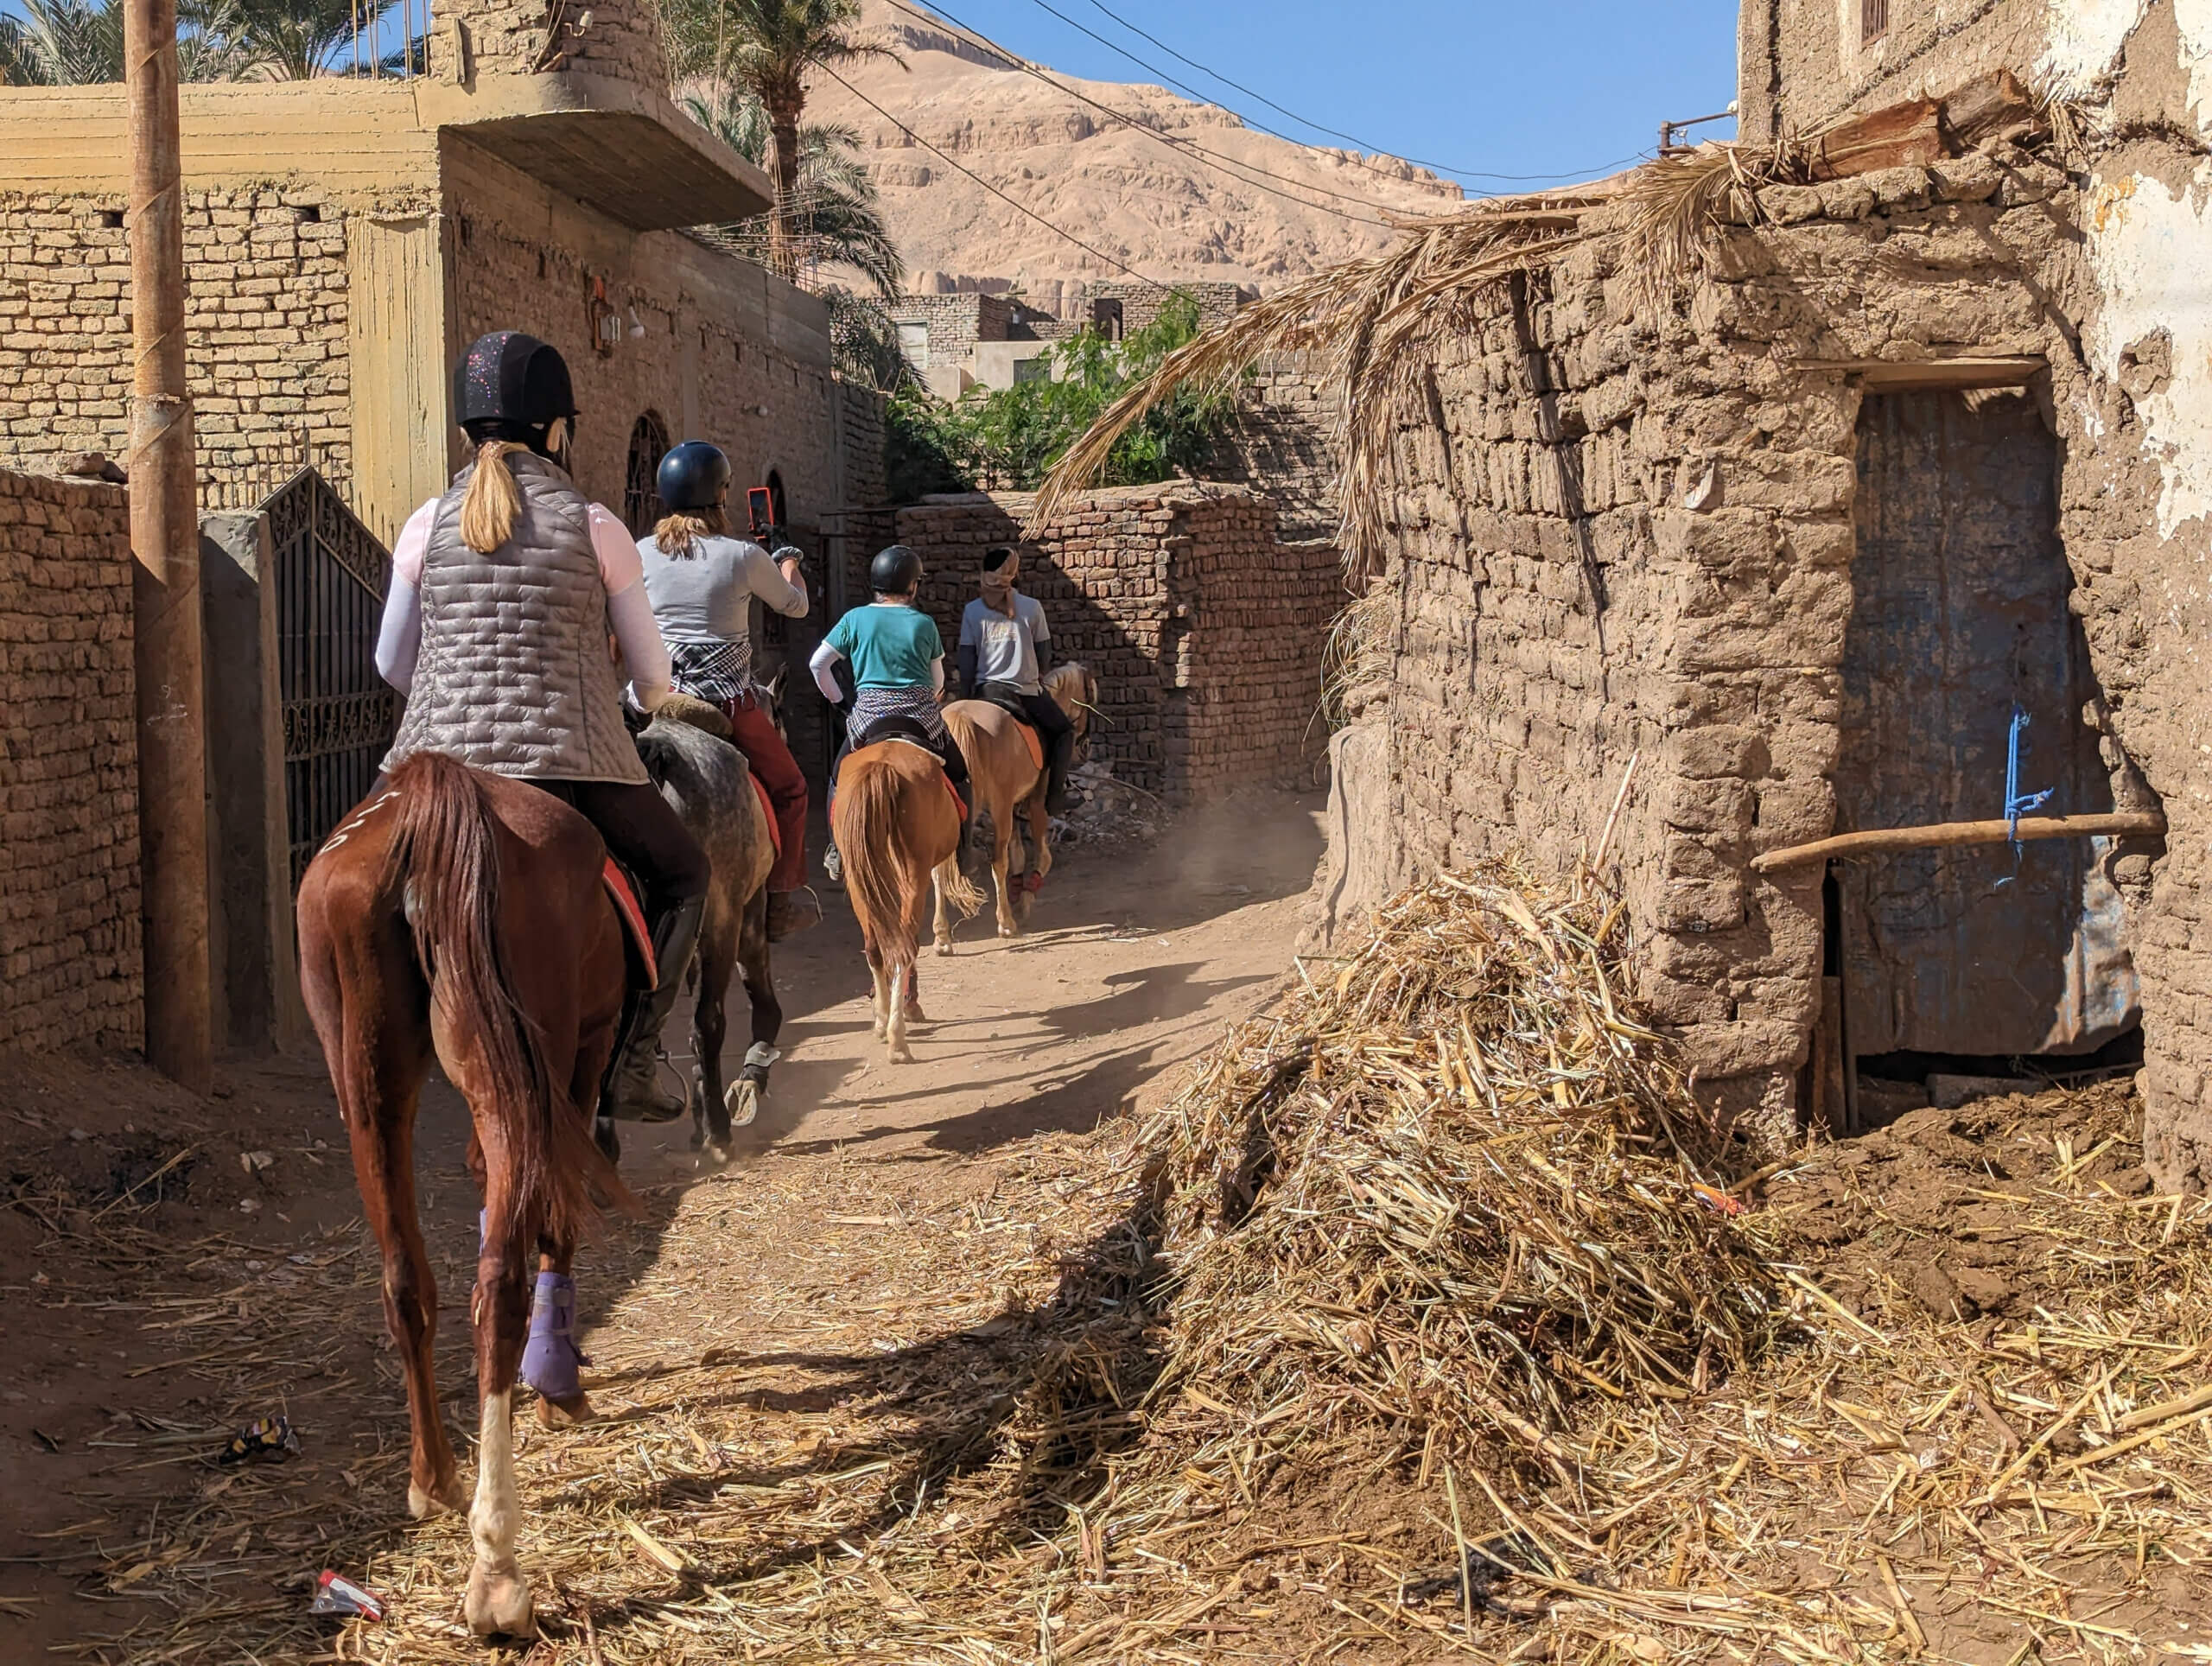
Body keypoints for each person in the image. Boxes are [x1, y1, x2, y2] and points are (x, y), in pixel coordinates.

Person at [373, 329, 706, 1129]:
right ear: (557, 431)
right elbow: (653, 679)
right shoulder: (597, 528)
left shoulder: (426, 523)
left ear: (465, 433)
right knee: (684, 874)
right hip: (574, 757)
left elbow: (392, 665)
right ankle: (633, 1060)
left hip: (438, 763)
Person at [636, 440, 818, 941]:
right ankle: (781, 897)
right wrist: (786, 561)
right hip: (726, 704)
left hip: (652, 703)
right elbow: (796, 606)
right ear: (721, 495)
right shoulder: (743, 555)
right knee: (791, 788)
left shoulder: (640, 553)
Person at [808, 544, 969, 881]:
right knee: (960, 772)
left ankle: (837, 849)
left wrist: (841, 702)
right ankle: (965, 849)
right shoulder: (924, 623)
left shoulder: (853, 619)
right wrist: (930, 693)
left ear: (874, 585)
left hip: (868, 717)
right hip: (920, 717)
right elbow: (937, 679)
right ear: (914, 586)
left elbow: (818, 664)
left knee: (838, 778)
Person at [957, 544, 1075, 813]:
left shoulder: (972, 611)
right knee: (1065, 731)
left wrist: (967, 697)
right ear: (1014, 573)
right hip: (1025, 693)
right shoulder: (1032, 607)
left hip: (986, 693)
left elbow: (966, 660)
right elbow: (1044, 653)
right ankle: (1055, 797)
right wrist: (1037, 674)